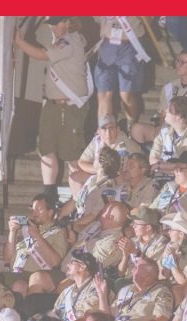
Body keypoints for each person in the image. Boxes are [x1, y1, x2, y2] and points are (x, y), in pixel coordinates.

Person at [14, 17, 90, 199]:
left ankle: (79, 200)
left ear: (69, 22)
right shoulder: (61, 41)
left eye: (57, 23)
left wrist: (18, 42)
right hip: (53, 105)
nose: (53, 27)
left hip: (70, 108)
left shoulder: (71, 40)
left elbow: (43, 55)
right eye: (51, 24)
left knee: (73, 155)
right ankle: (49, 195)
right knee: (46, 148)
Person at [103, 257, 174, 321]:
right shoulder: (125, 290)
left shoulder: (161, 292)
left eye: (136, 267)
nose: (132, 269)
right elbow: (107, 317)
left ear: (147, 275)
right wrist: (101, 294)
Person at [5, 193, 70, 297]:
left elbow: (55, 262)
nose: (34, 213)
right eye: (33, 209)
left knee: (18, 285)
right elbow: (7, 259)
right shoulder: (27, 229)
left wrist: (37, 236)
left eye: (39, 209)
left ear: (50, 212)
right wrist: (12, 232)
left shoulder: (58, 231)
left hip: (36, 276)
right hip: (16, 273)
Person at [93, 16, 150, 124]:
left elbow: (148, 20)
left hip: (129, 45)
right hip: (108, 45)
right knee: (104, 93)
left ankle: (131, 125)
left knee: (126, 94)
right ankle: (104, 131)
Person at [73, 114, 143, 193]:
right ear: (98, 131)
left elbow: (138, 168)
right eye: (104, 129)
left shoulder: (125, 144)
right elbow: (81, 162)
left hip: (121, 177)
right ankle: (80, 202)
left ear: (117, 129)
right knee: (75, 176)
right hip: (103, 174)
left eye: (111, 128)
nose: (108, 133)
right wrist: (98, 169)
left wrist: (103, 172)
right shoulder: (97, 141)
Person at [51, 250, 103, 321]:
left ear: (82, 267)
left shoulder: (97, 287)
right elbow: (54, 313)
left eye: (72, 262)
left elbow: (89, 317)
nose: (67, 265)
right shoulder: (67, 291)